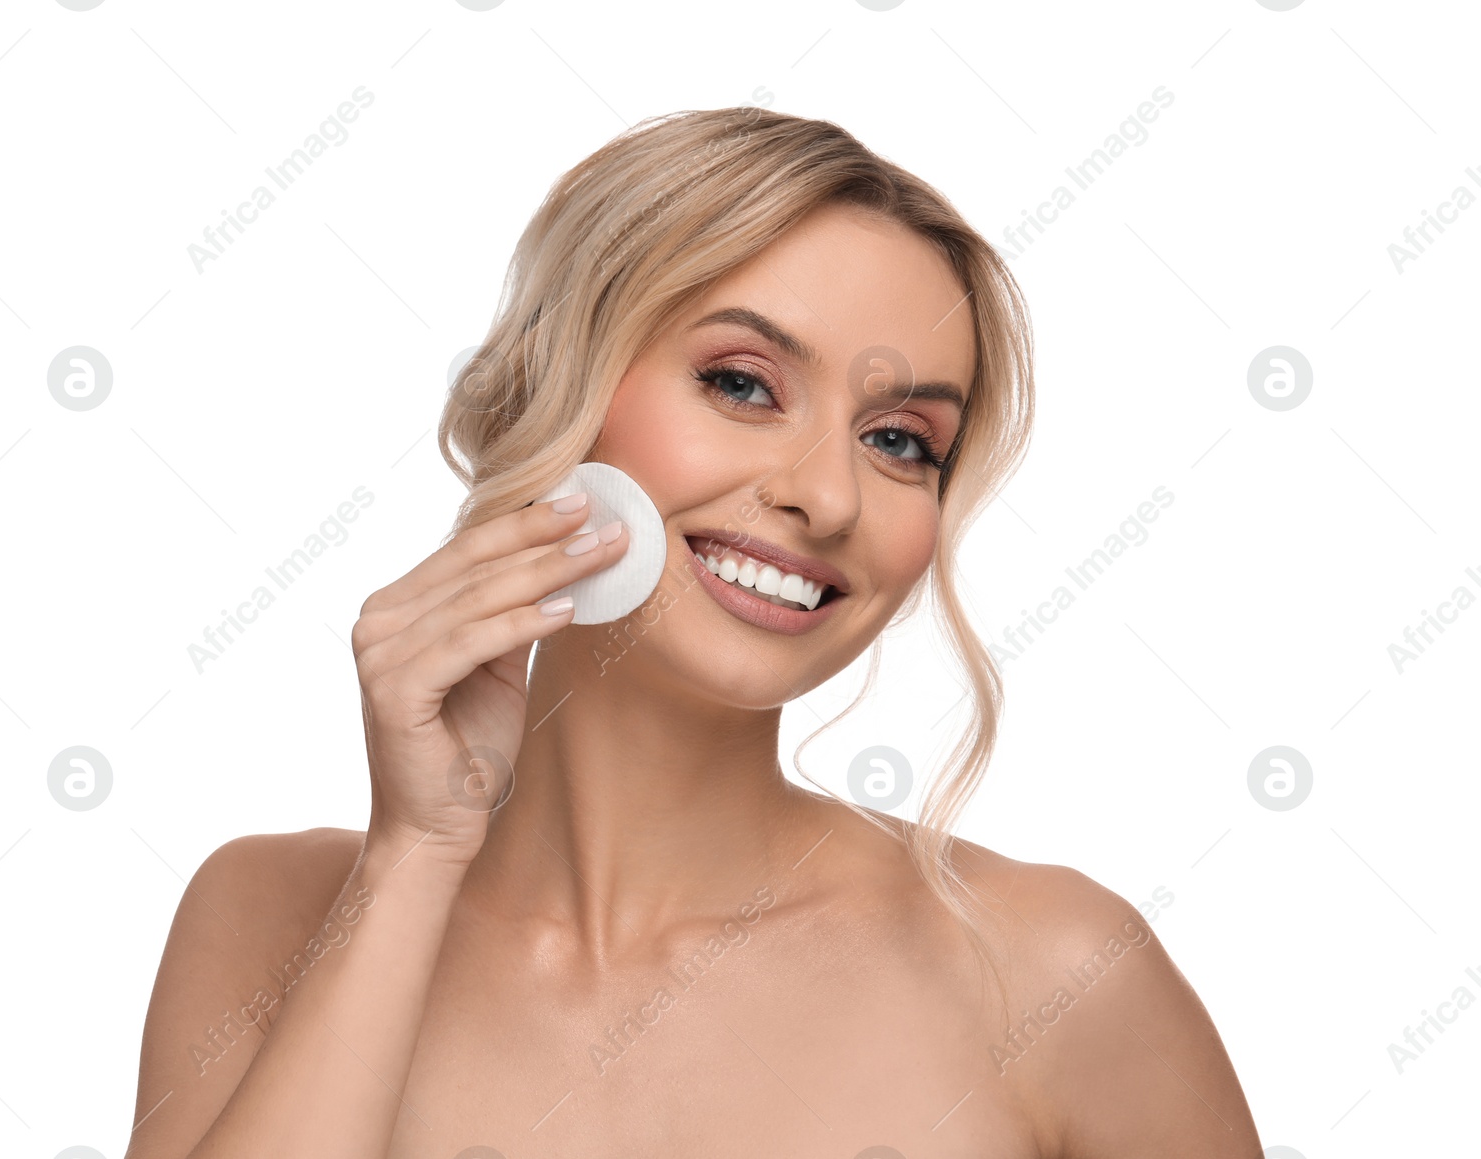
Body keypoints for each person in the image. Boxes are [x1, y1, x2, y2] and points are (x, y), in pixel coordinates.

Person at [126, 107, 1262, 1157]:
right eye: (741, 382)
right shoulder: (270, 916)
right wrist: (415, 854)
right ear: (553, 387)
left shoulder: (1055, 975)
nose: (826, 495)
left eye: (902, 440)